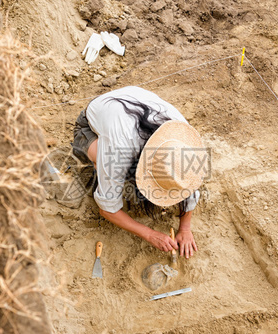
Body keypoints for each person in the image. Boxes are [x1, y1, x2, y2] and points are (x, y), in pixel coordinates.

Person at [72, 86, 208, 258]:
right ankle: (95, 160)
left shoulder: (180, 137)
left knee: (167, 172)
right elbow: (107, 210)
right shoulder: (118, 151)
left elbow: (189, 182)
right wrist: (150, 234)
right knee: (106, 164)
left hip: (129, 104)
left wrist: (185, 228)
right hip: (90, 124)